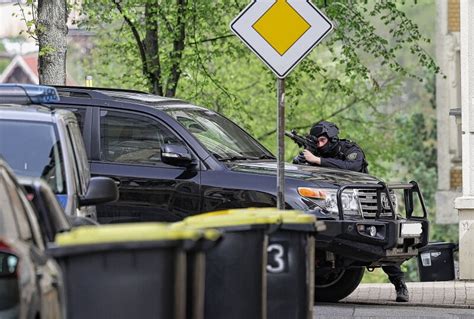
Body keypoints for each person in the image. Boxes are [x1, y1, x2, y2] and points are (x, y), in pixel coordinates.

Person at [293, 120, 409, 303]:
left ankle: (399, 283)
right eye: (316, 141)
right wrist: (303, 160)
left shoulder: (349, 149)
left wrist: (318, 161)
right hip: (335, 204)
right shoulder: (314, 152)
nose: (319, 145)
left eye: (322, 140)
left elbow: (351, 168)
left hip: (366, 202)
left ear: (332, 139)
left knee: (379, 246)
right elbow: (297, 173)